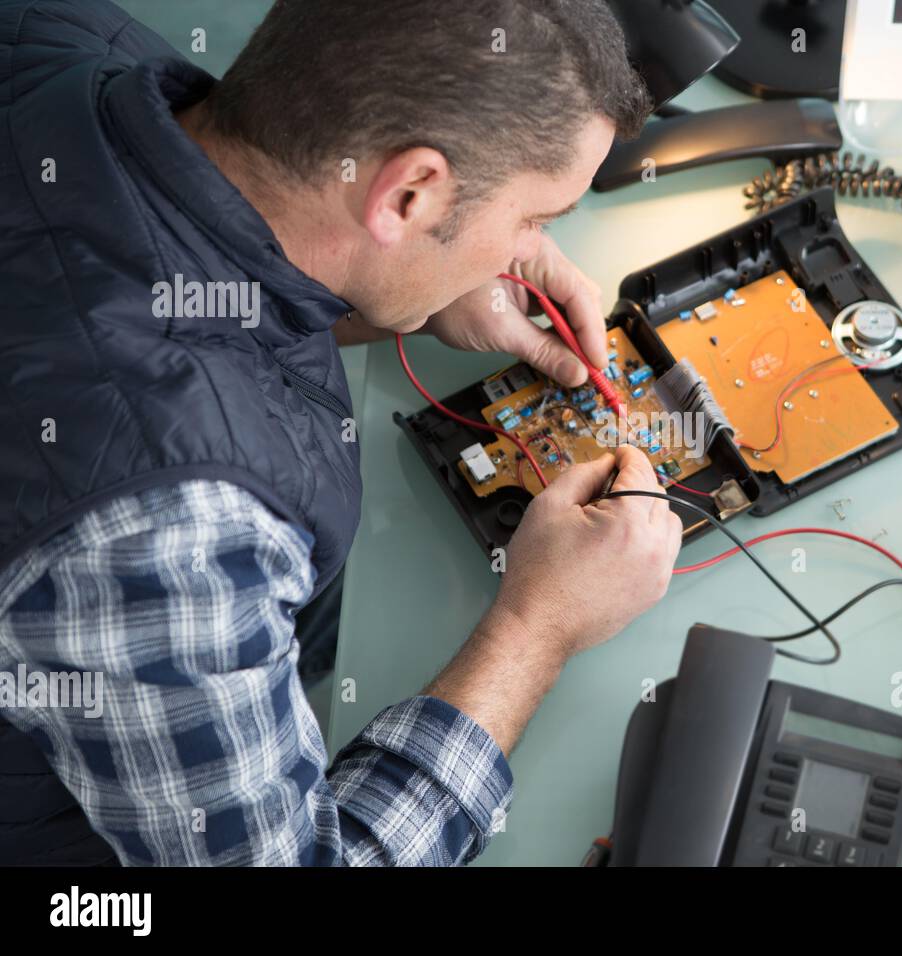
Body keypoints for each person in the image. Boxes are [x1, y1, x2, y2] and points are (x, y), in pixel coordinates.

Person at [0, 0, 682, 865]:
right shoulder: (172, 533)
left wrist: (403, 285)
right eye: (533, 219)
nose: (529, 252)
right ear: (407, 192)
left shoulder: (61, 34)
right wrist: (537, 626)